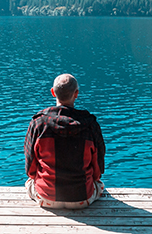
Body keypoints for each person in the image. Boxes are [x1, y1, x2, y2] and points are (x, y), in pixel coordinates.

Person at [24, 73, 106, 209]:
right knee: (100, 185)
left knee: (29, 182)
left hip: (46, 197)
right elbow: (98, 167)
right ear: (76, 94)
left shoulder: (38, 123)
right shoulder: (90, 125)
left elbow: (30, 166)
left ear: (53, 92)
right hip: (82, 198)